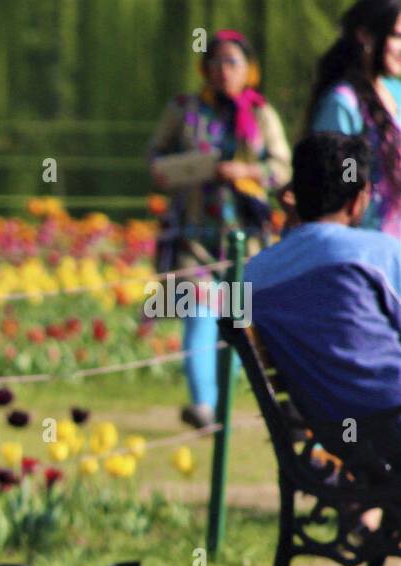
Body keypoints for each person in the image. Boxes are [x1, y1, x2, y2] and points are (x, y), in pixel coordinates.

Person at [148, 29, 291, 429]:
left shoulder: (261, 114)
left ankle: (230, 407)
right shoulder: (184, 110)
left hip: (245, 242)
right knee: (196, 313)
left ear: (249, 70)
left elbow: (282, 169)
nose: (223, 71)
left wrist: (244, 172)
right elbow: (156, 159)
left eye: (233, 62)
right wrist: (189, 167)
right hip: (194, 236)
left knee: (237, 327)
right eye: (216, 62)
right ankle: (204, 406)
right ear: (204, 67)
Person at [246, 132, 401, 471]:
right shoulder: (376, 252)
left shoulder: (257, 273)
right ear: (357, 200)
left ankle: (374, 513)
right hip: (391, 421)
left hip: (340, 435)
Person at [308, 0, 401, 238]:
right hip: (363, 249)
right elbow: (335, 182)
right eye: (396, 36)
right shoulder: (343, 102)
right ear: (365, 35)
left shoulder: (394, 92)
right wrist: (356, 181)